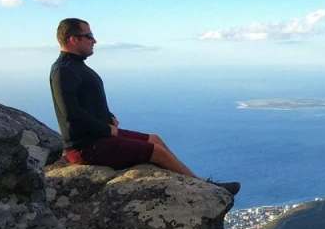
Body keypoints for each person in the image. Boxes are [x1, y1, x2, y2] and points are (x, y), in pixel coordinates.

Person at [49, 18, 239, 195]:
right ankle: (204, 189)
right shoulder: (63, 71)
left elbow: (88, 101)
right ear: (73, 39)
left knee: (155, 139)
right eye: (89, 36)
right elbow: (71, 114)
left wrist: (108, 116)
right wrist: (106, 129)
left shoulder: (74, 67)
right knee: (156, 152)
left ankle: (194, 182)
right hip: (86, 147)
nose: (94, 40)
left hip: (99, 137)